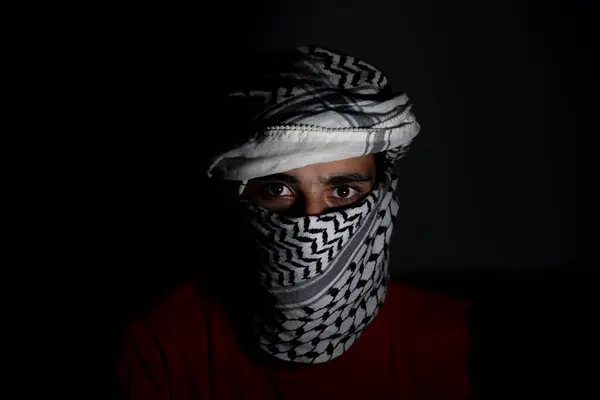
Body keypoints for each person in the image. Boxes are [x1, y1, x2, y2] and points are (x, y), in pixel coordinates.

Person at [116, 46, 470, 399]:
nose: (310, 222)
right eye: (277, 189)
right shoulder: (161, 345)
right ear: (240, 197)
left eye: (343, 191)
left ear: (383, 196)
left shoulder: (451, 336)